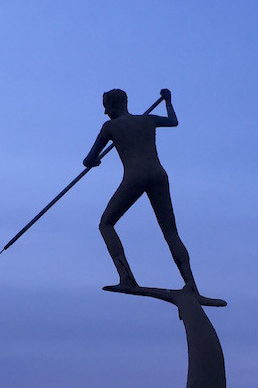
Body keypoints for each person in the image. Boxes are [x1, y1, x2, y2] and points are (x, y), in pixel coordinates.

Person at [83, 88, 198, 292]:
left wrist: (95, 161)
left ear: (113, 106)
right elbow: (173, 121)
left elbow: (88, 159)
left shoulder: (110, 126)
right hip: (159, 175)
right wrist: (168, 101)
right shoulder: (147, 120)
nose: (105, 112)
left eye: (106, 107)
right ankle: (191, 285)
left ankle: (126, 277)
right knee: (171, 232)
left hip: (135, 177)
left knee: (106, 224)